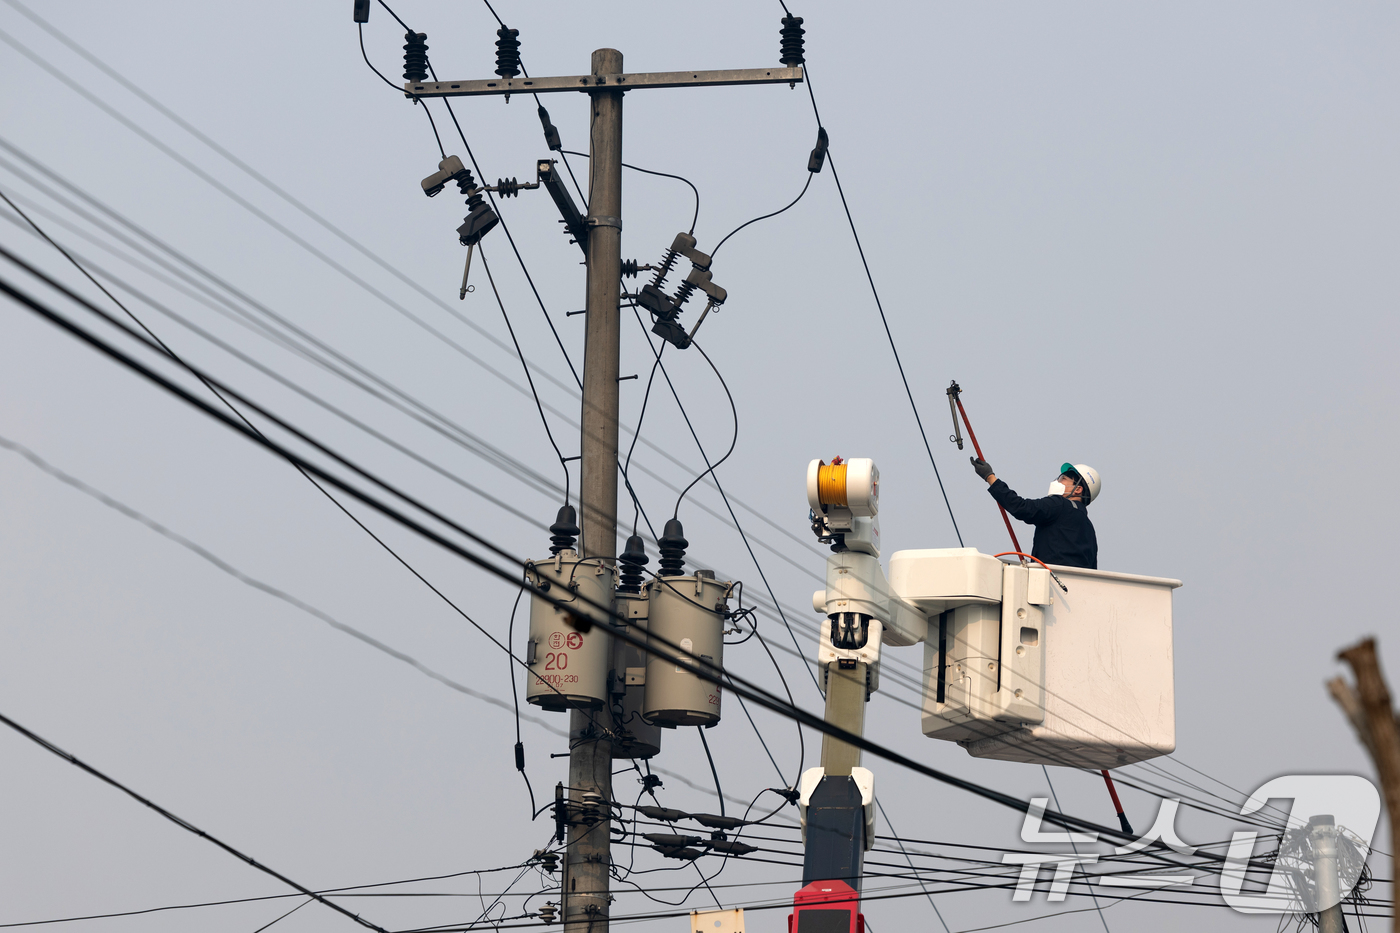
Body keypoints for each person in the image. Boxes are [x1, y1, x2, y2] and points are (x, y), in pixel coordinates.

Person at [970, 458, 1101, 569]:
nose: (1057, 481)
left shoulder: (1060, 504)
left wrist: (990, 477)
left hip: (1050, 583)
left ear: (1078, 489)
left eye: (1063, 479)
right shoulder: (1089, 530)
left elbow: (1022, 507)